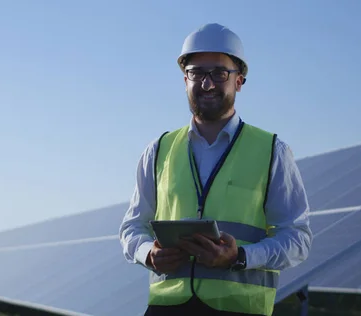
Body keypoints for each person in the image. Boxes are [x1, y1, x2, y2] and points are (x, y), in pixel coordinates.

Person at [118, 22, 313, 316]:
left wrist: (242, 256)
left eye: (219, 73)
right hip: (167, 309)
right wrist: (149, 254)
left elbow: (298, 238)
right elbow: (131, 228)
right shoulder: (158, 151)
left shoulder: (272, 151)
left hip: (239, 309)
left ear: (239, 81)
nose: (206, 83)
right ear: (185, 80)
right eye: (196, 73)